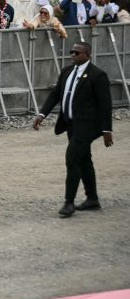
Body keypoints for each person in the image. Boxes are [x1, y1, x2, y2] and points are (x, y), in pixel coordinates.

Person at [34, 42, 114, 217]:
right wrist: (42, 114)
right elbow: (56, 94)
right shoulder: (67, 71)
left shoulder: (97, 75)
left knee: (72, 159)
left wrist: (107, 130)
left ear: (87, 55)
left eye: (77, 53)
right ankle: (92, 199)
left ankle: (69, 202)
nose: (73, 55)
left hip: (88, 126)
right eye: (72, 52)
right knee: (84, 160)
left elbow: (105, 104)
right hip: (71, 124)